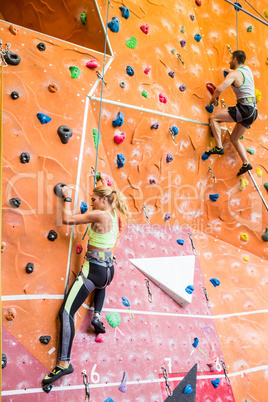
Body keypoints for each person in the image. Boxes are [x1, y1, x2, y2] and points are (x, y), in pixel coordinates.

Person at [42, 180, 130, 385]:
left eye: (93, 200)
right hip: (108, 273)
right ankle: (96, 315)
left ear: (104, 199)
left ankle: (64, 364)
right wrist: (101, 180)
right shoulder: (115, 212)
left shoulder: (98, 214)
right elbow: (110, 190)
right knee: (101, 287)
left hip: (94, 273)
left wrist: (66, 196)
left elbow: (66, 219)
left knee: (65, 312)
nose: (91, 204)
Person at [205, 50, 258, 176]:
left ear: (234, 59)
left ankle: (219, 147)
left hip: (244, 109)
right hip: (253, 111)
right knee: (234, 138)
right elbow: (239, 77)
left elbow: (219, 89)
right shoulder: (247, 70)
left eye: (231, 59)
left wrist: (213, 100)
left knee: (214, 118)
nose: (230, 61)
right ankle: (246, 163)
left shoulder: (234, 75)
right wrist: (231, 73)